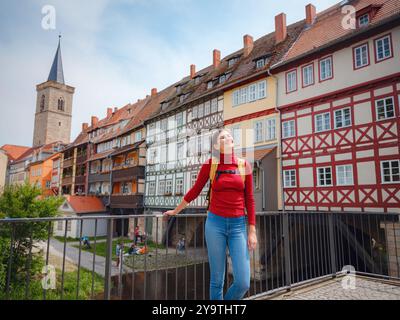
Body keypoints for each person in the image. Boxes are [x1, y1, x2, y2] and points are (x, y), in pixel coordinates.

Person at [163, 128, 257, 300]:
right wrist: (175, 211)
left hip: (238, 226)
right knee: (217, 280)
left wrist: (252, 230)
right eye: (223, 137)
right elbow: (195, 191)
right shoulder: (210, 165)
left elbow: (249, 199)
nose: (227, 137)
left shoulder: (245, 165)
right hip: (215, 224)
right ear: (216, 145)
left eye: (229, 135)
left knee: (243, 282)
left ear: (233, 142)